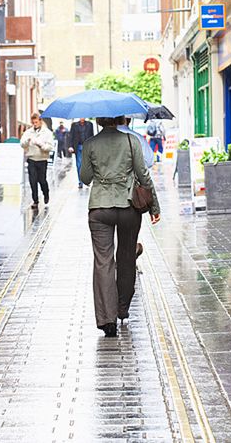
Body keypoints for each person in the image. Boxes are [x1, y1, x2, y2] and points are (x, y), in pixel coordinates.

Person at [81, 117, 160, 338]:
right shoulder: (130, 141)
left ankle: (107, 321)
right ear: (120, 119)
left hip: (99, 208)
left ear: (98, 120)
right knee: (126, 257)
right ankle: (123, 308)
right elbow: (143, 175)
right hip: (128, 207)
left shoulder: (90, 143)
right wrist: (154, 206)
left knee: (103, 262)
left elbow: (85, 178)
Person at [20, 113, 54, 209]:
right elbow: (22, 144)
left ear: (40, 121)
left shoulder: (47, 132)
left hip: (42, 159)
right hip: (31, 159)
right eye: (33, 122)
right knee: (32, 181)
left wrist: (41, 145)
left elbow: (50, 147)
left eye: (36, 122)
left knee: (42, 180)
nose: (35, 124)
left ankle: (46, 193)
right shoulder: (28, 132)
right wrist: (27, 141)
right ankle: (35, 201)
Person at [68, 118, 94, 188]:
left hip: (87, 146)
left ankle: (87, 180)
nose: (82, 118)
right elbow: (71, 136)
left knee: (87, 165)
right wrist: (70, 146)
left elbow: (92, 135)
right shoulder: (74, 125)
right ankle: (80, 181)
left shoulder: (90, 124)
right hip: (78, 146)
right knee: (79, 164)